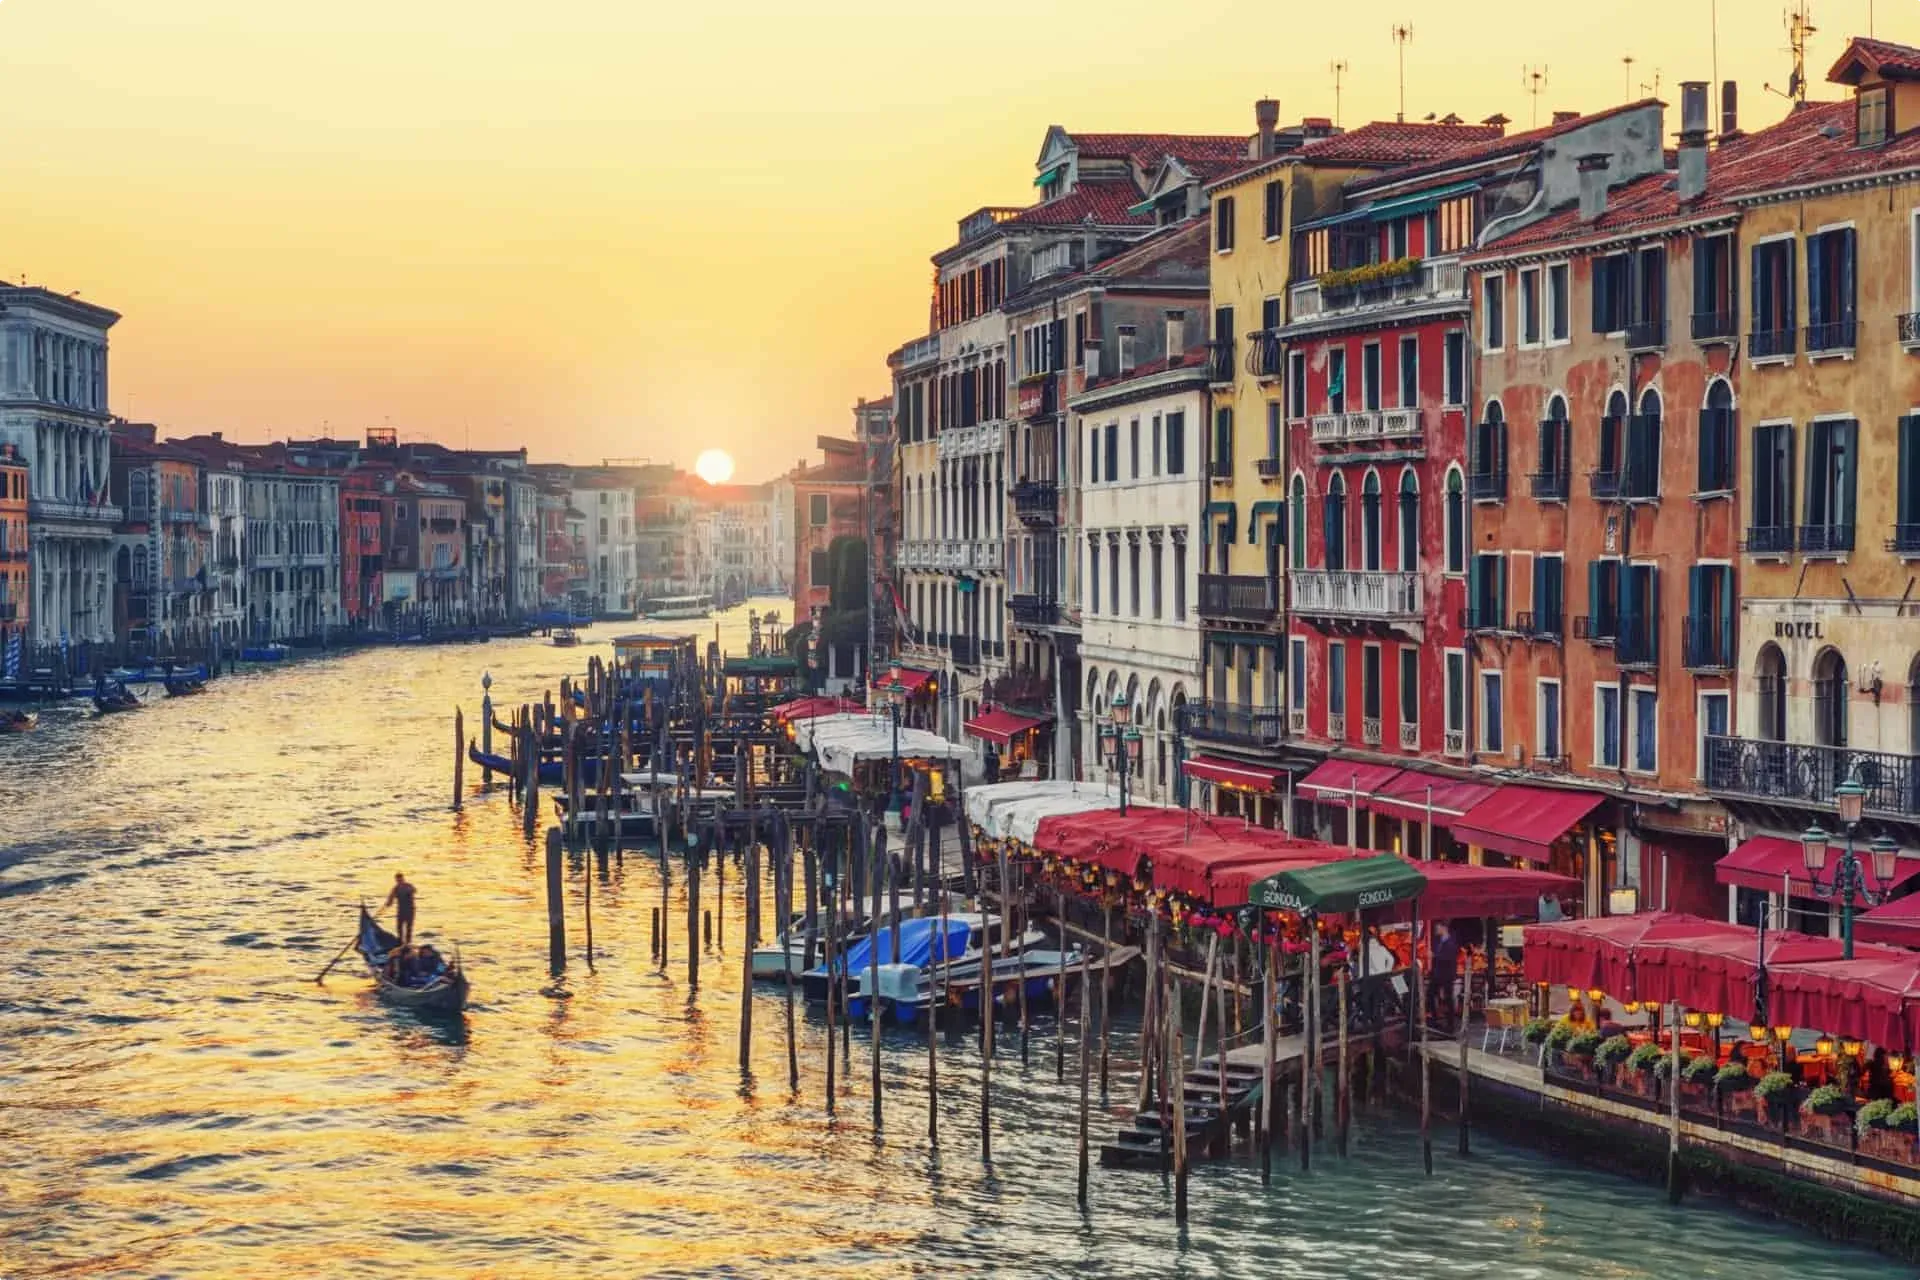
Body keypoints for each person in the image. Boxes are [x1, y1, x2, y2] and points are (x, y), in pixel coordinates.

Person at [1429, 922, 1460, 1030]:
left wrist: (1435, 956)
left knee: (1448, 998)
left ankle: (1450, 1023)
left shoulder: (1451, 942)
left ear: (1444, 928)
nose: (1436, 930)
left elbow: (1449, 957)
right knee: (1431, 994)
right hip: (1436, 974)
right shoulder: (1438, 941)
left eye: (1438, 928)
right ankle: (1435, 1018)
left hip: (1447, 974)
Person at [384, 872, 418, 944]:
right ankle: (400, 942)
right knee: (399, 928)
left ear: (403, 879)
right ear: (396, 880)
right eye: (398, 880)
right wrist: (388, 903)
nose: (399, 882)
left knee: (409, 928)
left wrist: (407, 891)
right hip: (401, 911)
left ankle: (408, 943)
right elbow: (390, 900)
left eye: (400, 880)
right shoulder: (395, 889)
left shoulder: (408, 886)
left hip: (410, 910)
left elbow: (414, 890)